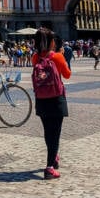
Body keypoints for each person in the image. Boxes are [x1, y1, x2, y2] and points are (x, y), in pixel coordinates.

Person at [31, 27, 71, 180]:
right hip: (56, 98)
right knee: (55, 134)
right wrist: (63, 57)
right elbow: (67, 75)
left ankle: (53, 157)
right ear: (51, 42)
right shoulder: (57, 57)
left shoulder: (35, 57)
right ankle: (49, 167)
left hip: (41, 98)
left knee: (48, 132)